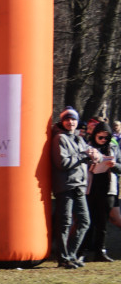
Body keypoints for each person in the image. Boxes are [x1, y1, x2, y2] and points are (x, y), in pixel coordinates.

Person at [51, 107, 102, 268]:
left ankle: (71, 254)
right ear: (62, 121)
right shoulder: (59, 138)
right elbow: (63, 163)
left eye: (73, 119)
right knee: (64, 222)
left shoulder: (79, 139)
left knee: (85, 221)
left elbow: (94, 154)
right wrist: (84, 156)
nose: (70, 122)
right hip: (65, 186)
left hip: (80, 185)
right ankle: (63, 258)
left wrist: (96, 155)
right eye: (67, 119)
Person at [83, 121, 121, 262]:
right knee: (88, 221)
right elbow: (79, 164)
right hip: (90, 188)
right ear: (95, 136)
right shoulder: (87, 147)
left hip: (108, 188)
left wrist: (114, 165)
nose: (104, 140)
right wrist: (89, 164)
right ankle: (84, 251)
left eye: (106, 137)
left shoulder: (113, 147)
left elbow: (120, 167)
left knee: (102, 222)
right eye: (101, 137)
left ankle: (100, 251)